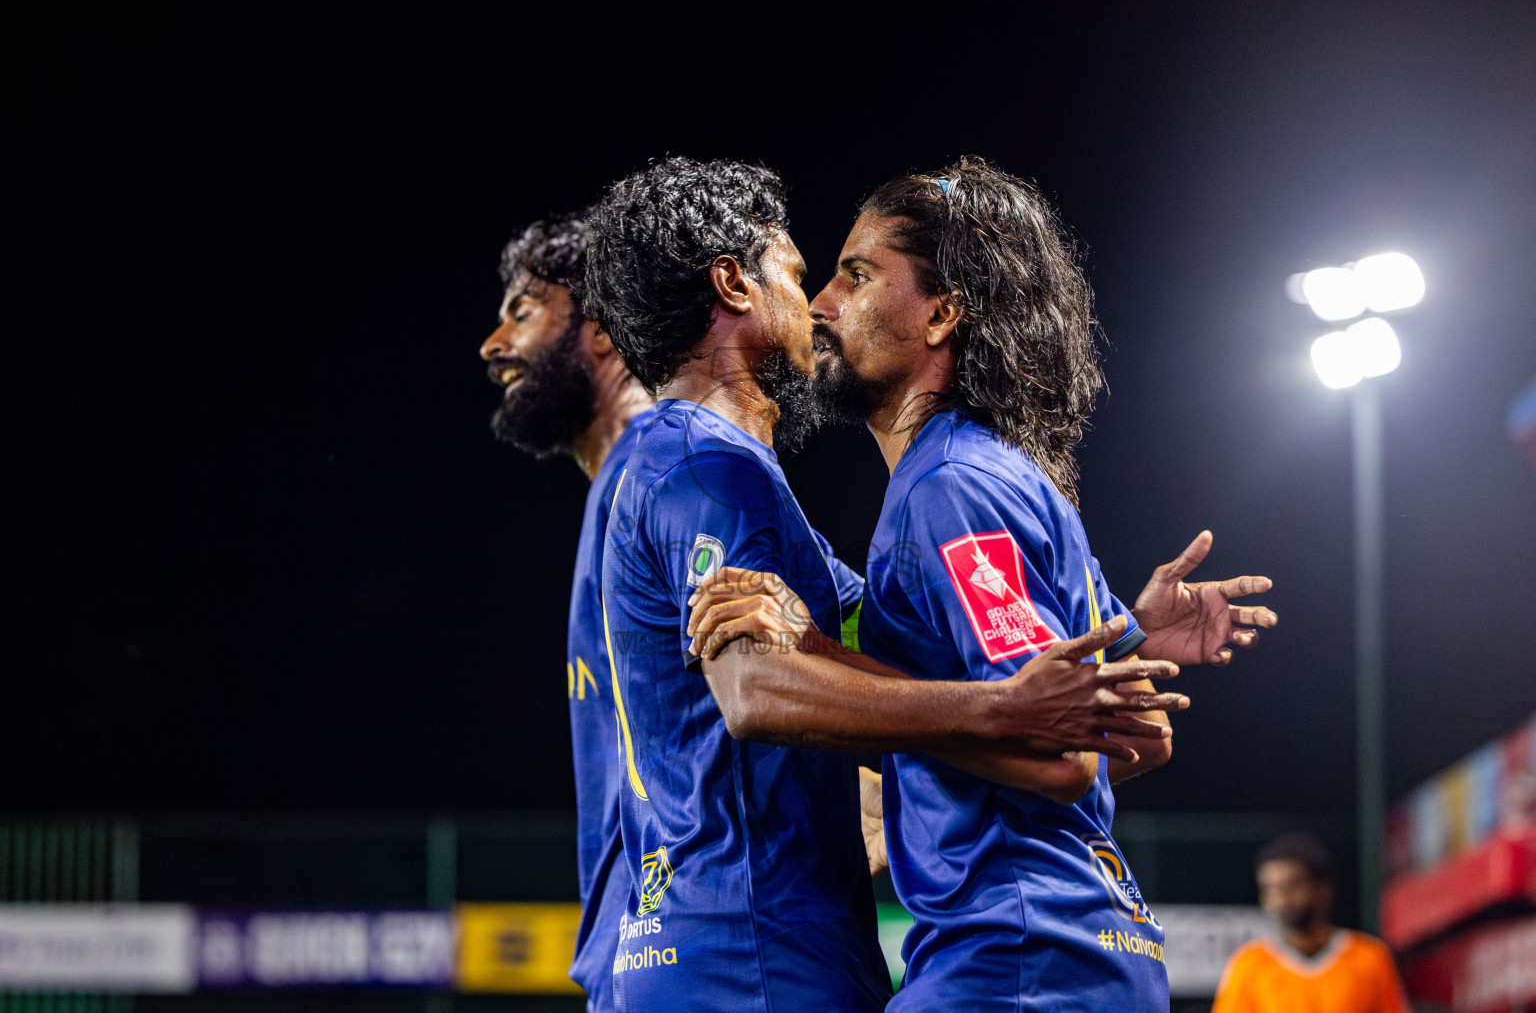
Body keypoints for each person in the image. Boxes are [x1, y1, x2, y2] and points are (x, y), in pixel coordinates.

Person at [583, 157, 1191, 1013]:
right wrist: (1002, 711)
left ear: (941, 314)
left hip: (954, 952)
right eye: (807, 275)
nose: (822, 303)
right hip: (755, 952)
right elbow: (759, 687)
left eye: (851, 276)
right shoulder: (711, 467)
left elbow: (1075, 722)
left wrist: (1115, 639)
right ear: (734, 286)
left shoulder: (914, 489)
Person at [478, 212, 654, 1012]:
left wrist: (881, 787)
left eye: (523, 310)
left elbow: (807, 643)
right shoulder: (616, 489)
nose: (492, 344)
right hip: (633, 950)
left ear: (605, 331)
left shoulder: (662, 472)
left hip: (682, 956)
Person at [1213, 834, 1409, 1013]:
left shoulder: (1370, 958)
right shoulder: (1249, 965)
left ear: (1323, 888)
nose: (1282, 899)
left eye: (1291, 886)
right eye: (1271, 889)